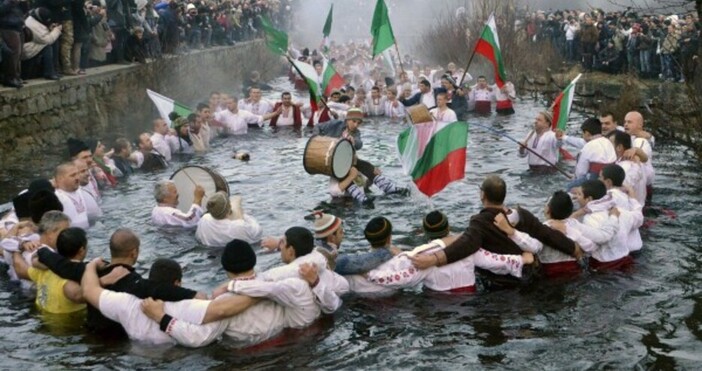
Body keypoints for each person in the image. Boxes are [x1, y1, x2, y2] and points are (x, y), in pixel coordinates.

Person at [141, 236, 347, 348]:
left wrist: (161, 317)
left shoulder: (226, 304)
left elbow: (198, 339)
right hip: (291, 347)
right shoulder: (278, 283)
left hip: (249, 359)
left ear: (225, 268)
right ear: (254, 261)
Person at [36, 228, 205, 338]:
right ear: (134, 253)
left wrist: (40, 249)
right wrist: (194, 295)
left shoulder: (89, 273)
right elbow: (160, 289)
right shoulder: (134, 282)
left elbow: (58, 263)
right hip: (117, 341)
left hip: (90, 334)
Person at [411, 175, 580, 283]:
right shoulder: (523, 215)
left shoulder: (481, 222)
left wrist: (433, 259)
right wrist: (573, 248)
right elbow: (547, 235)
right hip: (531, 276)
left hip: (502, 283)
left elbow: (466, 245)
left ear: (482, 195)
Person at [365, 211, 532, 294]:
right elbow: (496, 261)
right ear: (449, 228)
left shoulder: (422, 257)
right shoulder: (468, 246)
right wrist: (522, 259)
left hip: (437, 306)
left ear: (425, 232)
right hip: (470, 303)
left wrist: (369, 274)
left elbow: (401, 279)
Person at [496, 191, 617, 278]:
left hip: (551, 275)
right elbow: (592, 246)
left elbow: (534, 246)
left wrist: (512, 233)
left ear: (547, 210)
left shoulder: (543, 229)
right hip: (575, 272)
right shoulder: (574, 225)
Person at [314, 108, 408, 197]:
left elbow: (359, 144)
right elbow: (317, 126)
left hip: (347, 160)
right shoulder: (335, 124)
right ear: (347, 120)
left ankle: (389, 188)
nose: (356, 125)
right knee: (346, 172)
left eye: (358, 123)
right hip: (332, 160)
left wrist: (353, 140)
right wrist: (317, 139)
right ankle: (359, 195)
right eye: (353, 121)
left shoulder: (356, 133)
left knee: (368, 166)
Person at [13, 227, 87, 314]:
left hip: (41, 318)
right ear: (81, 250)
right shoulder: (75, 279)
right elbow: (80, 295)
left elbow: (20, 269)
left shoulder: (45, 269)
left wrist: (18, 249)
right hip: (65, 325)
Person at [571, 180, 633, 271]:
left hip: (605, 264)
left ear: (589, 199)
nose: (577, 197)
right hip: (625, 257)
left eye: (579, 194)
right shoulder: (616, 209)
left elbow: (596, 242)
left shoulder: (591, 218)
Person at [560, 117, 616, 190]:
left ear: (587, 133)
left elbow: (581, 172)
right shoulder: (608, 142)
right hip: (612, 176)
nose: (582, 136)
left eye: (582, 133)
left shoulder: (588, 146)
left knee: (570, 186)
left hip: (595, 178)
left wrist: (575, 179)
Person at [600, 164, 644, 254]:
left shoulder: (609, 196)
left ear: (608, 182)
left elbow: (593, 206)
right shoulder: (626, 195)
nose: (598, 180)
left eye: (600, 177)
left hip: (624, 247)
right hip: (636, 244)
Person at [195, 192, 262, 247]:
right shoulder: (239, 226)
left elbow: (198, 237)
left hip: (210, 253)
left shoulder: (204, 219)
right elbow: (258, 231)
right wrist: (239, 210)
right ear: (229, 209)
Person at [21, 7, 62, 80]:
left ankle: (53, 70)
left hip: (32, 45)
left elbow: (43, 33)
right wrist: (57, 30)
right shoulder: (33, 25)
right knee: (47, 47)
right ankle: (49, 72)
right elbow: (47, 40)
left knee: (51, 44)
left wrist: (50, 28)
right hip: (27, 50)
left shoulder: (33, 19)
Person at [623, 111, 655, 203]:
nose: (626, 124)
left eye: (629, 122)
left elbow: (639, 157)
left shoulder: (641, 141)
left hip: (642, 185)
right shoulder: (627, 135)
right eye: (625, 122)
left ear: (640, 125)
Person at [612, 131, 647, 206]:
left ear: (619, 147)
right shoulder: (637, 162)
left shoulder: (623, 168)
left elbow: (621, 194)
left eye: (609, 144)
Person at [213, 97, 280, 135]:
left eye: (230, 103)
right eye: (227, 103)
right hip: (227, 138)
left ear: (236, 103)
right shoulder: (222, 114)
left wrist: (276, 113)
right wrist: (222, 124)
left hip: (243, 138)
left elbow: (260, 118)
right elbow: (212, 120)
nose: (228, 105)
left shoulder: (244, 114)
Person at [53, 162, 90, 229]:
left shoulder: (79, 190)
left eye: (77, 174)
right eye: (73, 175)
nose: (77, 178)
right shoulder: (57, 197)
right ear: (60, 179)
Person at [73, 159, 102, 225]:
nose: (87, 174)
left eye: (87, 170)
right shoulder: (72, 195)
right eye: (83, 171)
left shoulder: (87, 187)